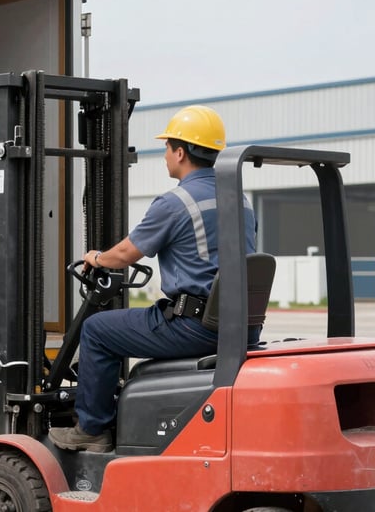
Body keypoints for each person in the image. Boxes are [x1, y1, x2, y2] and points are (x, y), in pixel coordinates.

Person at [48, 105, 257, 452]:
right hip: (241, 325)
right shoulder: (242, 201)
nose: (164, 157)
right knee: (126, 323)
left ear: (180, 151)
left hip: (195, 326)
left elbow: (127, 254)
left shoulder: (176, 203)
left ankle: (92, 428)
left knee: (98, 330)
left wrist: (96, 258)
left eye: (166, 149)